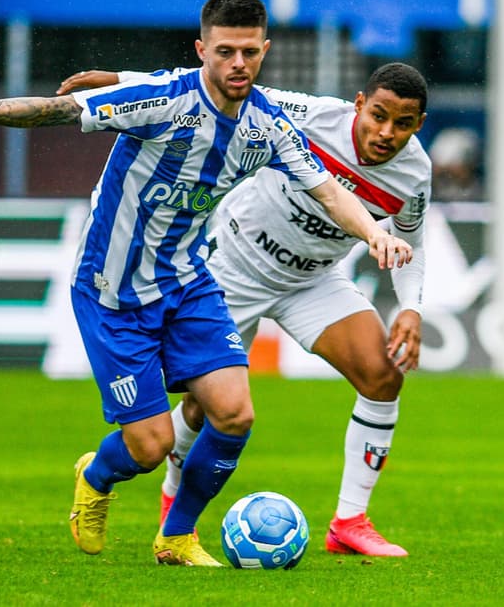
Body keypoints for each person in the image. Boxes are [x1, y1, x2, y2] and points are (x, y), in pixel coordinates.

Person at [0, 0, 411, 567]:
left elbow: (328, 190)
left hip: (189, 280)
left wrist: (375, 234)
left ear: (264, 51)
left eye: (248, 53)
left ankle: (177, 536)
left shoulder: (269, 126)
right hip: (112, 290)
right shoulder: (165, 101)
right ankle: (96, 473)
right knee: (151, 444)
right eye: (225, 52)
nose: (238, 64)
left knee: (235, 413)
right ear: (202, 50)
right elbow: (60, 111)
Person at [57, 61, 430, 557]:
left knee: (383, 376)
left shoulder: (414, 173)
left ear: (418, 124)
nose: (386, 133)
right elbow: (219, 81)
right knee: (207, 405)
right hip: (229, 267)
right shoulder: (313, 116)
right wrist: (124, 80)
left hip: (311, 281)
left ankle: (349, 521)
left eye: (402, 124)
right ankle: (173, 503)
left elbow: (412, 241)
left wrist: (411, 308)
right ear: (359, 104)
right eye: (378, 115)